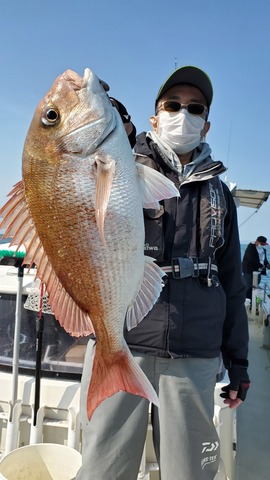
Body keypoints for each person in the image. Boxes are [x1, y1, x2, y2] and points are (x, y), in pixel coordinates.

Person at [77, 66, 250, 480]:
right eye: (172, 105)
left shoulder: (220, 193)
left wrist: (238, 363)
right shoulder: (119, 165)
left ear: (206, 124)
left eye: (194, 107)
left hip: (194, 356)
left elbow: (231, 281)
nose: (182, 114)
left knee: (190, 472)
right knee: (103, 469)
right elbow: (73, 194)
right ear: (153, 117)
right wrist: (100, 120)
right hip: (122, 343)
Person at [242, 235, 270, 302]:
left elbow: (264, 260)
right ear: (257, 241)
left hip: (258, 272)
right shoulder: (250, 248)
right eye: (261, 244)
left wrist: (267, 265)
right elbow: (250, 259)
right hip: (248, 271)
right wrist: (261, 266)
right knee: (247, 286)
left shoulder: (264, 250)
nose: (262, 245)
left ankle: (251, 301)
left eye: (264, 244)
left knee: (255, 286)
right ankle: (245, 301)